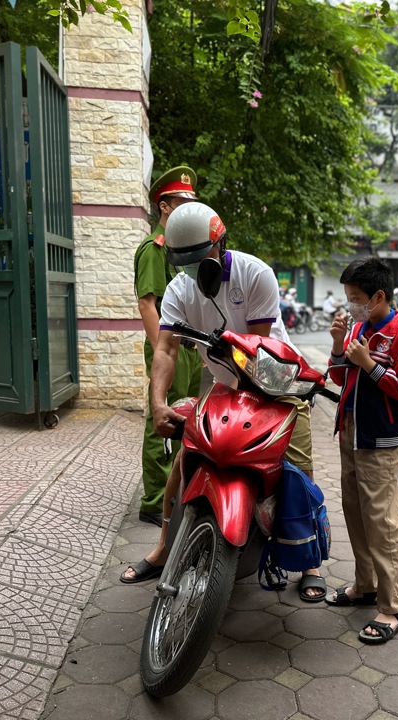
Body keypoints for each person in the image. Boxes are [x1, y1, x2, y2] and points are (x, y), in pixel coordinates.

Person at [126, 202, 326, 600]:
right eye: (182, 263)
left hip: (273, 380)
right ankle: (165, 546)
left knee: (297, 468)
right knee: (186, 458)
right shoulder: (179, 291)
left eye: (199, 259)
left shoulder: (256, 275)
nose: (192, 272)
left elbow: (255, 349)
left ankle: (310, 562)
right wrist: (159, 405)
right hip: (224, 383)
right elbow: (165, 350)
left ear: (219, 245)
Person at [326, 257, 398, 644]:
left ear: (379, 296)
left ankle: (392, 607)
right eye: (349, 297)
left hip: (380, 441)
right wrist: (338, 345)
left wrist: (368, 365)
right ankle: (364, 585)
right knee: (356, 512)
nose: (351, 305)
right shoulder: (361, 329)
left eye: (357, 298)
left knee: (381, 522)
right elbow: (338, 375)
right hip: (352, 434)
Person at [132, 166, 205, 531]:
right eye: (180, 204)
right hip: (170, 346)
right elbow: (148, 305)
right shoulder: (153, 249)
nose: (187, 211)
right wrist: (161, 348)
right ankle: (155, 499)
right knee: (163, 418)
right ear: (164, 207)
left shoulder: (182, 250)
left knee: (188, 417)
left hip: (189, 348)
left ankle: (177, 491)